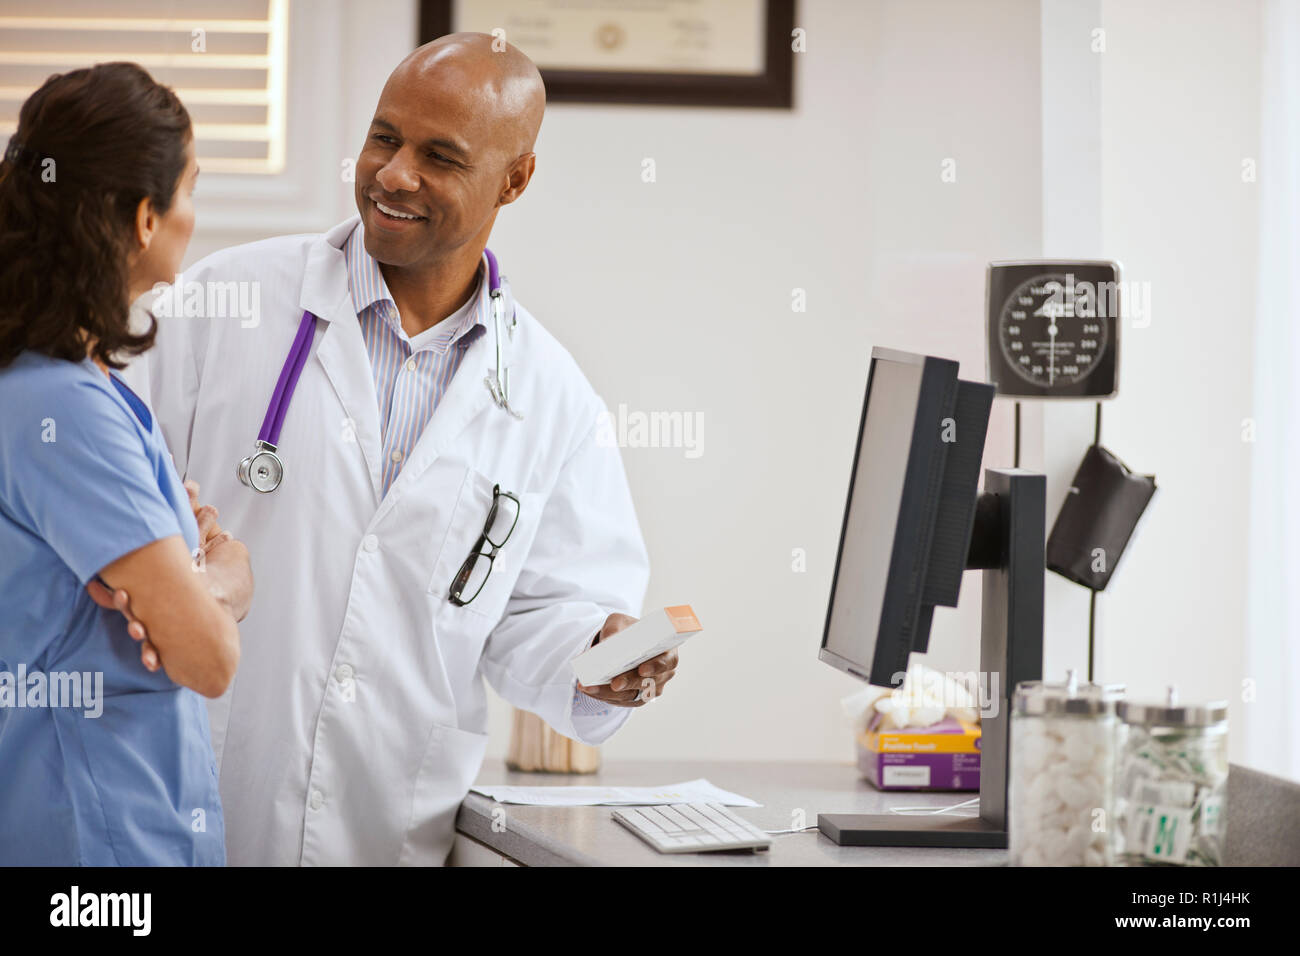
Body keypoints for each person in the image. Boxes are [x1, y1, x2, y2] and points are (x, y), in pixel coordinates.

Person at [115, 33, 679, 865]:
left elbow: (540, 619)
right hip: (189, 809)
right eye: (385, 137)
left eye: (439, 156)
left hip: (385, 828)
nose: (393, 174)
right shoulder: (222, 306)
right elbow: (102, 512)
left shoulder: (552, 398)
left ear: (514, 180)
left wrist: (598, 661)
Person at [0, 62, 253, 866]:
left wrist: (176, 576)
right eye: (189, 191)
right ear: (146, 217)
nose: (192, 216)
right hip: (99, 844)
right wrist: (223, 585)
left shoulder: (56, 384)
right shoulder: (62, 407)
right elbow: (206, 658)